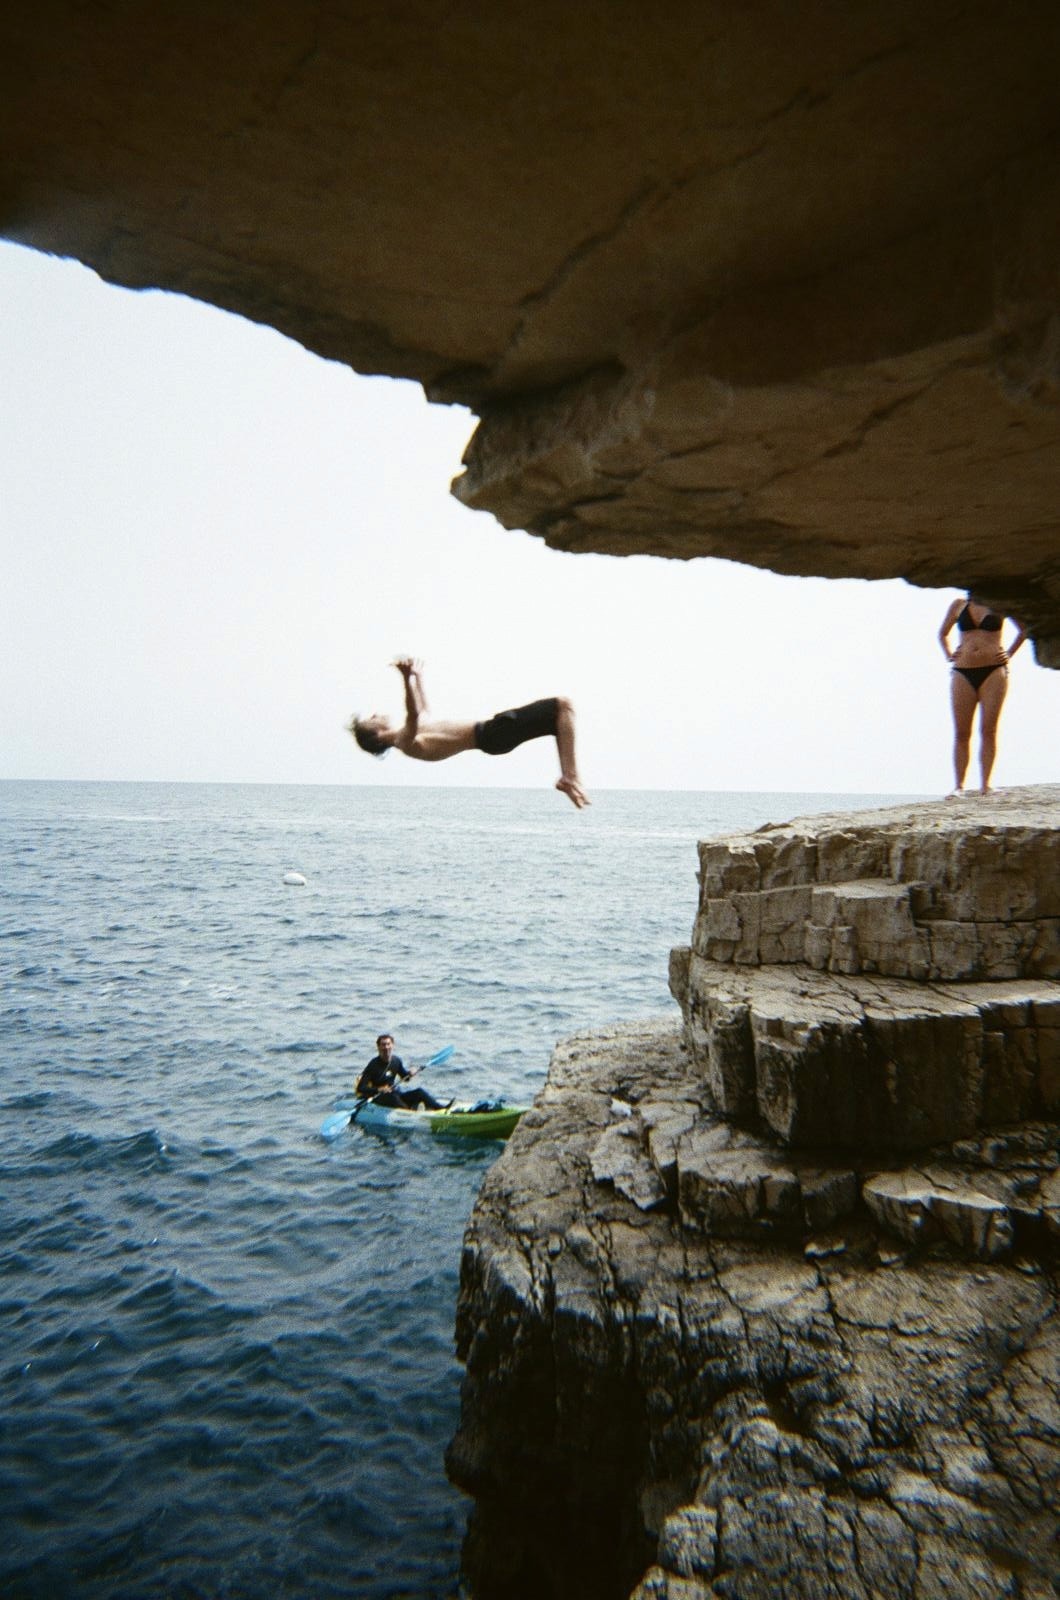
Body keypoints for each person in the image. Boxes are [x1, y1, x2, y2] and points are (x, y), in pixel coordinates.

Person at [348, 658, 590, 809]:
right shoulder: (405, 742)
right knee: (563, 705)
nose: (374, 715)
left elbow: (421, 712)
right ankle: (570, 777)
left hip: (492, 735)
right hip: (490, 735)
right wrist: (405, 679)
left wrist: (417, 679)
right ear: (376, 735)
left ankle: (568, 777)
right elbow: (412, 715)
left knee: (557, 720)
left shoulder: (409, 736)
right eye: (370, 720)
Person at [938, 592, 1026, 793]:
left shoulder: (999, 602)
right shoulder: (958, 605)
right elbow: (942, 633)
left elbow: (1024, 630)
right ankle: (959, 786)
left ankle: (985, 784)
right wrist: (949, 654)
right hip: (962, 671)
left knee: (988, 729)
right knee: (961, 732)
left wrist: (1009, 653)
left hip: (993, 671)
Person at [355, 1033, 444, 1110]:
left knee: (419, 1092)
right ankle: (411, 1111)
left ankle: (441, 1108)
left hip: (393, 1094)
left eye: (388, 1044)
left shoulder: (396, 1061)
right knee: (393, 1097)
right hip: (378, 1097)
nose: (386, 1047)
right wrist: (379, 1089)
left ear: (392, 1045)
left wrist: (410, 1073)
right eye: (383, 1045)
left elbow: (405, 1078)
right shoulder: (373, 1065)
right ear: (378, 1047)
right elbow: (361, 1088)